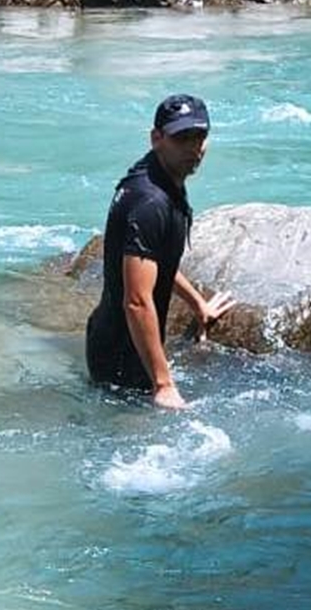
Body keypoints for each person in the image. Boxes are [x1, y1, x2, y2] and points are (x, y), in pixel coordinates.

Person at [85, 93, 236, 409]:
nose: (193, 148)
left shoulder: (158, 175)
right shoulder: (150, 202)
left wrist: (198, 304)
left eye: (199, 137)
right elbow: (137, 301)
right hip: (121, 361)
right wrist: (163, 384)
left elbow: (156, 259)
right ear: (157, 138)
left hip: (120, 343)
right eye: (182, 138)